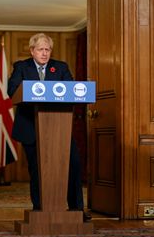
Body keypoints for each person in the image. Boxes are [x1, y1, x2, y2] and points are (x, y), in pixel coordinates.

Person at [7, 33, 91, 221]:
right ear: (32, 51)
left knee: (73, 166)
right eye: (40, 49)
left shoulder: (60, 67)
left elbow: (71, 92)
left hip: (59, 128)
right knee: (38, 171)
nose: (44, 53)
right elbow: (12, 91)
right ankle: (40, 210)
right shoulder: (21, 67)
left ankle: (77, 210)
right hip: (31, 127)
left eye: (47, 49)